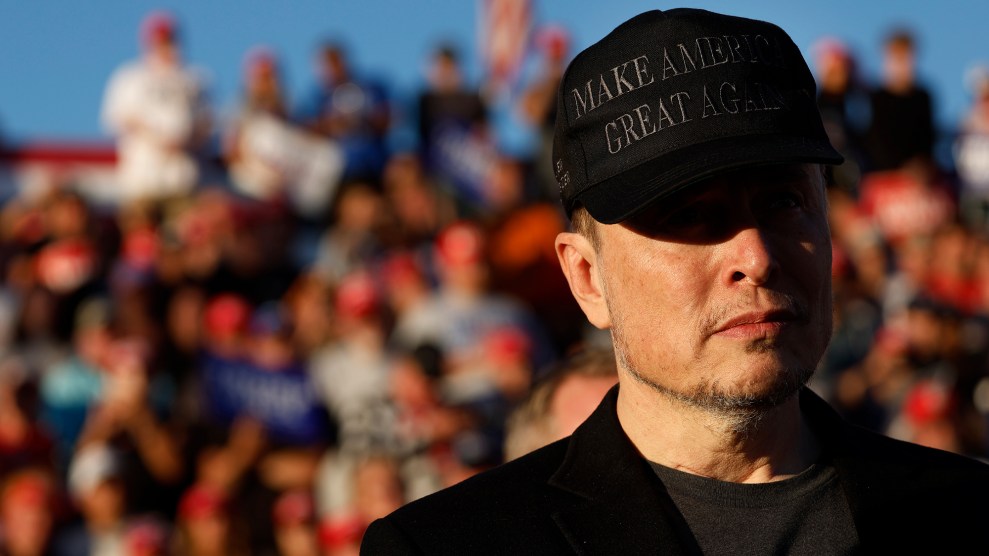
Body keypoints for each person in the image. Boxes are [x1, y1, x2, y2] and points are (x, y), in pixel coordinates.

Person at [360, 8, 989, 555]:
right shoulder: (450, 546)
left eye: (785, 202)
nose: (756, 255)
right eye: (689, 216)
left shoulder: (965, 515)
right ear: (586, 278)